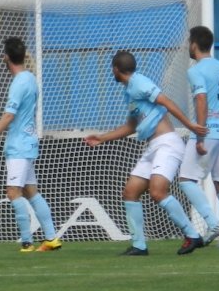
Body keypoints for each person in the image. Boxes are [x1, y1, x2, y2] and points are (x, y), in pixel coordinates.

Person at [84, 50, 209, 256]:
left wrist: (190, 125)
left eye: (111, 69)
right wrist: (102, 138)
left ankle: (192, 235)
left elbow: (166, 101)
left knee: (157, 192)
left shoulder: (139, 82)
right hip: (153, 146)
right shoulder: (130, 91)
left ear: (116, 69)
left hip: (167, 144)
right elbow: (132, 125)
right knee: (130, 192)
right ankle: (139, 245)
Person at [0, 37, 61, 253]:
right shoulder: (30, 78)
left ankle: (27, 242)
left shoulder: (19, 83)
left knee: (13, 192)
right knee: (31, 191)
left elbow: (9, 115)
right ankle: (51, 238)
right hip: (28, 143)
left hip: (19, 146)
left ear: (7, 57)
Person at [177, 26, 219, 248]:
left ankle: (213, 223)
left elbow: (201, 99)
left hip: (207, 130)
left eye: (189, 42)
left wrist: (200, 133)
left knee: (186, 179)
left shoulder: (196, 70)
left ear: (194, 44)